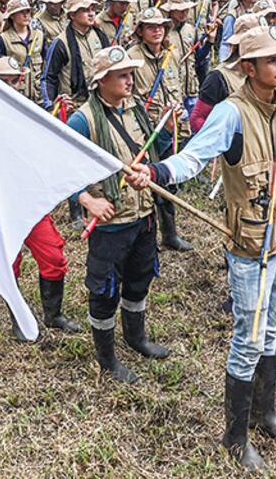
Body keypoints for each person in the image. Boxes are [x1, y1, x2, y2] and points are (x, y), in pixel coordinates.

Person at [127, 25, 276, 472]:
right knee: (247, 338)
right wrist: (155, 172)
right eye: (271, 60)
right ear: (248, 68)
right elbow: (193, 157)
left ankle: (265, 415)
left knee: (273, 328)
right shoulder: (231, 113)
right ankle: (234, 437)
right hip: (250, 247)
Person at [66, 46, 171, 384]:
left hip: (142, 215)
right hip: (110, 222)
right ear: (101, 81)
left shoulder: (137, 108)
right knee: (104, 291)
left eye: (130, 73)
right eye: (122, 75)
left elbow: (157, 150)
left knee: (140, 277)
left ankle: (135, 337)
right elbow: (61, 170)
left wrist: (169, 129)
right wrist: (86, 200)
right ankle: (107, 358)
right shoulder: (83, 119)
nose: (130, 80)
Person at [0, 55, 83, 334]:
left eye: (16, 81)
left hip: (30, 201)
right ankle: (18, 317)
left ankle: (54, 314)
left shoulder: (28, 111)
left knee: (53, 257)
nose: (14, 87)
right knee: (9, 263)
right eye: (7, 81)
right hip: (1, 205)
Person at [128, 8, 194, 252]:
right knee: (146, 186)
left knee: (167, 182)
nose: (157, 30)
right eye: (150, 26)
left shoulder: (171, 54)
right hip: (147, 132)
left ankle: (170, 234)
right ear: (140, 30)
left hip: (172, 127)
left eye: (161, 26)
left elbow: (177, 87)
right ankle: (145, 240)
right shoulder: (132, 57)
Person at [42, 0, 111, 114]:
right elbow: (49, 78)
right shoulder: (60, 43)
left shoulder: (100, 36)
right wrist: (50, 106)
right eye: (85, 10)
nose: (91, 14)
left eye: (92, 9)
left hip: (102, 103)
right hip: (74, 108)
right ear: (72, 15)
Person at [0, 0, 45, 102]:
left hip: (38, 97)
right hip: (15, 98)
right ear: (12, 16)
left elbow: (46, 67)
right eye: (21, 12)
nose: (25, 15)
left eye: (28, 11)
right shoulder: (3, 39)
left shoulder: (39, 36)